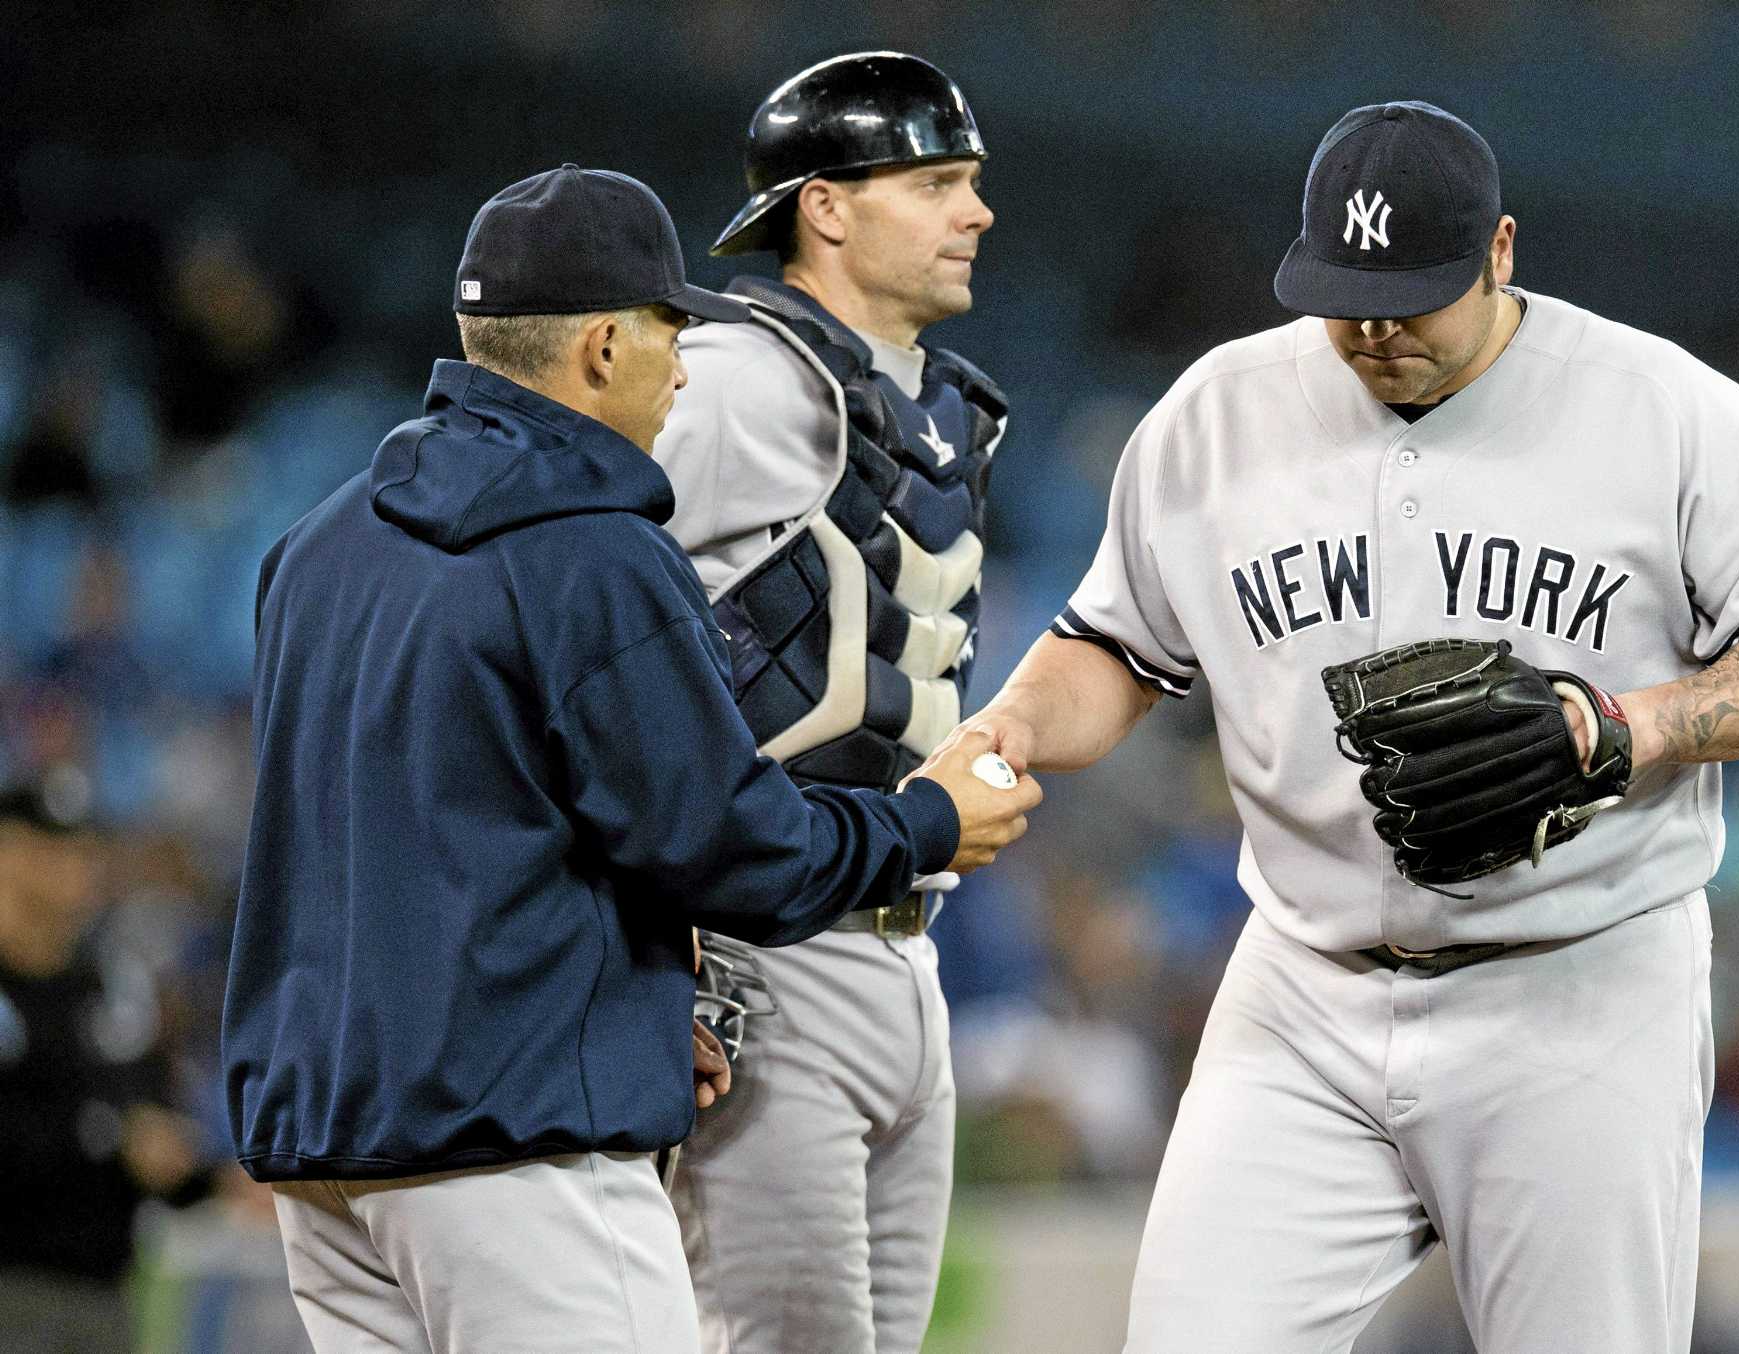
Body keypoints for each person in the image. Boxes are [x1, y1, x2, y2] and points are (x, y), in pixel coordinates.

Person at [946, 101, 1739, 1353]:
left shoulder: (1661, 410)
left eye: (1410, 299)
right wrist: (1000, 731)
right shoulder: (1212, 415)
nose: (1375, 331)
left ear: (1498, 253)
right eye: (1345, 298)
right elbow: (1113, 650)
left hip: (1578, 982)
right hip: (1302, 990)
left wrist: (1624, 726)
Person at [220, 164, 1036, 1354]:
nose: (682, 367)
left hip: (328, 1156)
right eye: (670, 332)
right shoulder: (590, 545)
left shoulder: (321, 540)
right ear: (601, 346)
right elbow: (733, 845)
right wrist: (921, 822)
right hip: (515, 1151)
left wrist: (633, 1000)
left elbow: (447, 831)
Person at [647, 51, 1000, 1354]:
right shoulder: (741, 379)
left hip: (911, 949)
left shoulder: (936, 405)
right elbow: (585, 631)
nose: (977, 211)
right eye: (940, 182)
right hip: (764, 951)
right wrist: (648, 929)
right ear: (829, 206)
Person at [0, 766, 209, 1354]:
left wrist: (195, 1172)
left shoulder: (113, 987)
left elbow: (158, 1126)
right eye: (47, 846)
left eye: (79, 847)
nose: (71, 865)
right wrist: (109, 1140)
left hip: (106, 1292)